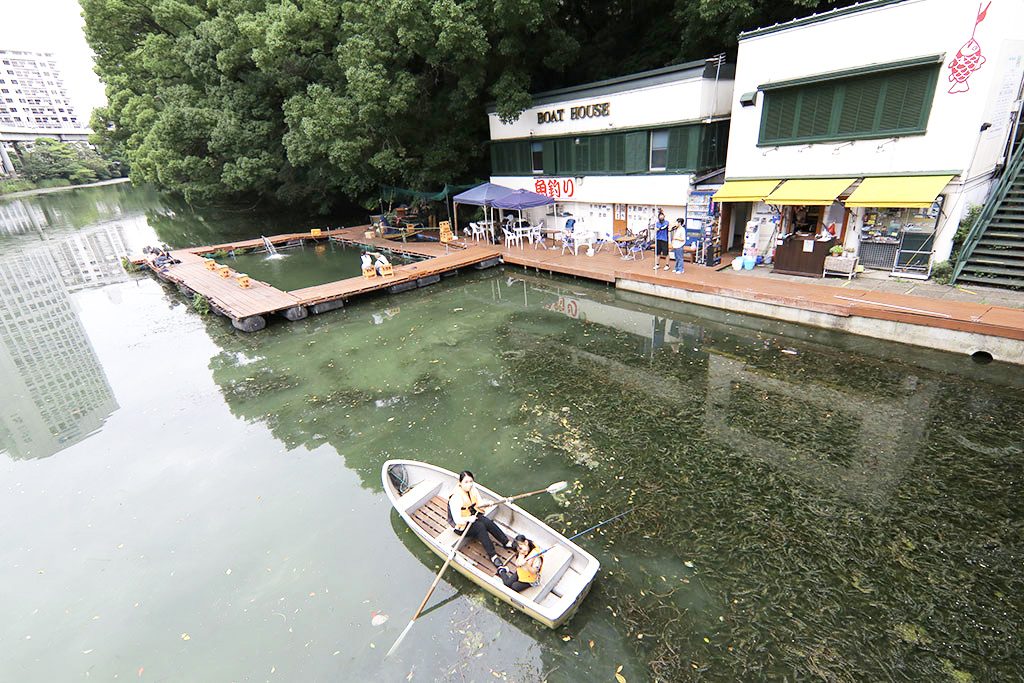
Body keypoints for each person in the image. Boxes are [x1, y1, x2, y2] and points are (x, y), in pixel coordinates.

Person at [448, 470, 513, 567]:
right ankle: (493, 556)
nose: (469, 484)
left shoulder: (473, 489)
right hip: (461, 525)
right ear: (460, 483)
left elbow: (479, 503)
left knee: (487, 522)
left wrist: (488, 504)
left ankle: (506, 542)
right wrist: (468, 519)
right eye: (466, 482)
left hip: (473, 515)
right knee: (480, 527)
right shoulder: (456, 498)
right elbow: (457, 520)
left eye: (471, 481)